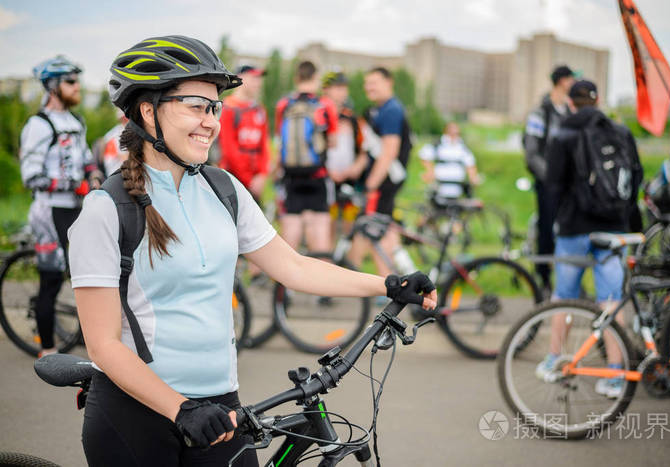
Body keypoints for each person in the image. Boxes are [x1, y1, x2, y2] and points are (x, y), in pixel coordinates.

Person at [67, 35, 437, 467]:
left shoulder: (223, 191)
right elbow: (103, 346)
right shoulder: (106, 210)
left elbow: (293, 267)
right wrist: (179, 408)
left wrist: (389, 284)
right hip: (136, 416)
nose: (211, 121)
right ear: (148, 111)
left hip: (220, 409)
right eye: (194, 105)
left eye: (214, 107)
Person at [537, 80, 643, 398]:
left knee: (564, 296)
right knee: (610, 298)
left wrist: (547, 233)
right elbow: (634, 177)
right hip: (613, 227)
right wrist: (630, 223)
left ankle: (555, 359)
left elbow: (552, 188)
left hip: (573, 229)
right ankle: (614, 374)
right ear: (597, 101)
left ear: (571, 103)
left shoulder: (563, 134)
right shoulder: (621, 132)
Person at [19, 55, 102, 358]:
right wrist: (73, 185)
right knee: (51, 280)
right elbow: (32, 177)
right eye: (70, 81)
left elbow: (86, 159)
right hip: (48, 211)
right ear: (53, 87)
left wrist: (93, 175)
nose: (77, 87)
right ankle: (48, 349)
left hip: (74, 209)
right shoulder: (38, 125)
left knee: (84, 273)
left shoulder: (75, 121)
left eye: (77, 80)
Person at [347, 67, 413, 277]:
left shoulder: (391, 111)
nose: (369, 87)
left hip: (384, 183)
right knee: (384, 231)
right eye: (367, 83)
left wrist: (371, 185)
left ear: (389, 82)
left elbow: (389, 152)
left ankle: (361, 280)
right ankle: (398, 279)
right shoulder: (380, 110)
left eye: (374, 82)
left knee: (370, 230)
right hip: (385, 182)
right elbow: (371, 150)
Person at [274, 61, 338, 253]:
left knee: (290, 236)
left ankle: (286, 282)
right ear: (316, 78)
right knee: (320, 239)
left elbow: (281, 140)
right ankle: (319, 280)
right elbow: (333, 141)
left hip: (291, 177)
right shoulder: (325, 105)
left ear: (297, 78)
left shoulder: (284, 104)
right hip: (317, 177)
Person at [523, 65, 576, 294]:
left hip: (571, 186)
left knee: (571, 232)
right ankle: (543, 280)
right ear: (562, 81)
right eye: (571, 79)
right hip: (548, 185)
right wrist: (551, 178)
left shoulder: (570, 113)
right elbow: (531, 152)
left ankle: (569, 283)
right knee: (546, 232)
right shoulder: (539, 113)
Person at [322, 70, 367, 237]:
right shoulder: (318, 116)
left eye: (344, 87)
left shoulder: (354, 119)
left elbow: (364, 151)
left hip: (349, 179)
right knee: (327, 224)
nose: (342, 92)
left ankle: (345, 259)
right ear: (325, 90)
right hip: (326, 177)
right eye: (337, 87)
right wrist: (327, 171)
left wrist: (355, 168)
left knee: (350, 225)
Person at [218, 64, 270, 202]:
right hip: (232, 179)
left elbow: (264, 145)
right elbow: (229, 149)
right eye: (254, 78)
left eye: (259, 79)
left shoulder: (259, 110)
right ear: (241, 78)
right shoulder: (227, 108)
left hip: (255, 182)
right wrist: (249, 180)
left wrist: (262, 175)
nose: (258, 83)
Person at [419, 121, 480, 201]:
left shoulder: (463, 147)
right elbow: (424, 156)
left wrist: (473, 177)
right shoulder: (437, 144)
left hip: (457, 185)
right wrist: (430, 171)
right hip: (439, 184)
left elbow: (470, 164)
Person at [100, 109, 129, 176]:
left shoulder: (114, 131)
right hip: (118, 174)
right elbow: (125, 159)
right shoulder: (119, 133)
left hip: (113, 173)